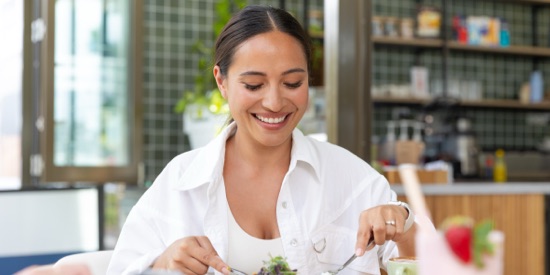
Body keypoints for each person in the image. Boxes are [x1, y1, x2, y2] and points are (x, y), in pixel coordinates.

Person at [107, 5, 417, 275]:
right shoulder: (179, 184)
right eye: (254, 85)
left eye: (293, 83)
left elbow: (436, 265)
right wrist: (162, 265)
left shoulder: (353, 179)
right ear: (222, 81)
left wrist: (402, 227)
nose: (274, 102)